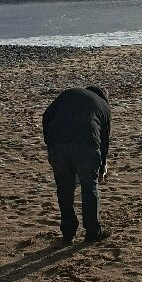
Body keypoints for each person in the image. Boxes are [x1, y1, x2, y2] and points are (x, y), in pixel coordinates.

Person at [42, 85, 111, 244]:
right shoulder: (103, 106)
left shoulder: (68, 95)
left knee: (64, 188)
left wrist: (50, 146)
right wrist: (101, 168)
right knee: (89, 186)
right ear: (104, 97)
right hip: (87, 147)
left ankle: (68, 232)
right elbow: (105, 141)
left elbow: (46, 116)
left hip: (58, 147)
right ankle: (93, 231)